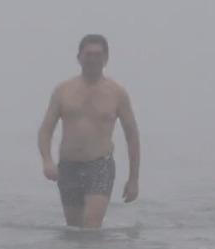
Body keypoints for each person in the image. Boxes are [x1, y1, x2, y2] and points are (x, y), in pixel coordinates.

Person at [36, 34, 141, 228]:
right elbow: (45, 130)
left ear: (106, 58)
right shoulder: (63, 91)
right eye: (88, 54)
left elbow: (132, 137)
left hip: (100, 165)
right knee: (74, 229)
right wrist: (47, 160)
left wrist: (133, 179)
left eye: (98, 54)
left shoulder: (117, 93)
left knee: (91, 225)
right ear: (79, 57)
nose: (93, 59)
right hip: (68, 166)